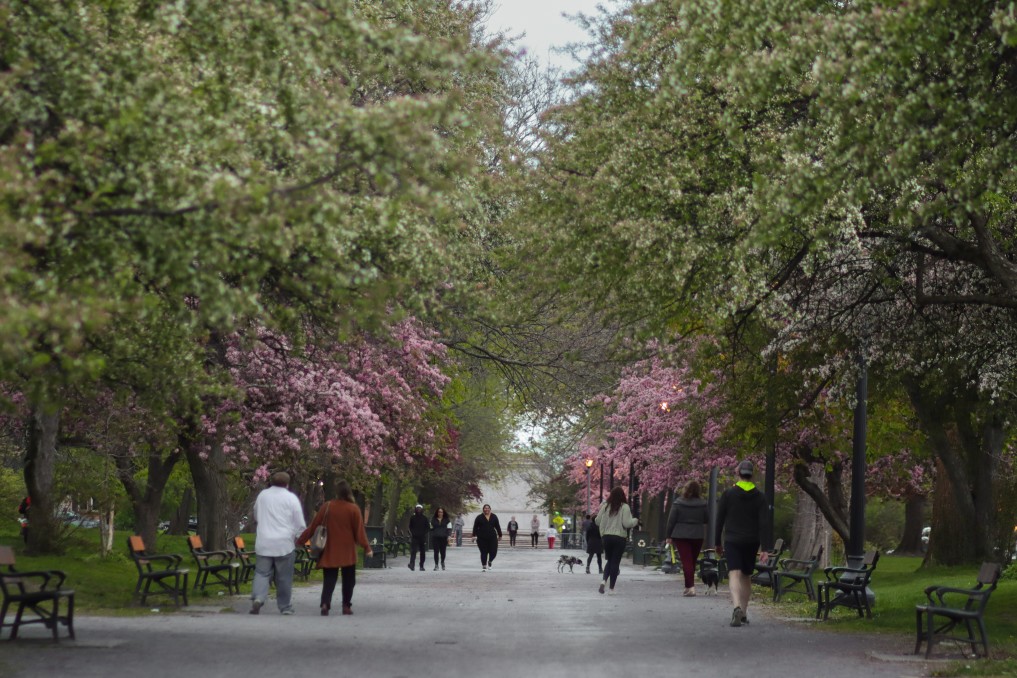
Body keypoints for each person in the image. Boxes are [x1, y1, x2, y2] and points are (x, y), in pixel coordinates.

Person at [295, 479, 372, 616]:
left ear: (337, 493)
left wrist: (301, 540)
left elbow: (313, 527)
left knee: (329, 578)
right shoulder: (353, 509)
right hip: (348, 550)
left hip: (330, 549)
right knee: (349, 580)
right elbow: (360, 532)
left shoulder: (327, 506)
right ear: (349, 492)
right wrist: (367, 548)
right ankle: (346, 606)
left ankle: (325, 603)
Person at [715, 460, 768, 627]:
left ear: (738, 473)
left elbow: (719, 520)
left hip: (732, 539)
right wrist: (765, 548)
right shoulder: (760, 496)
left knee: (734, 573)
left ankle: (736, 606)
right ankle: (744, 612)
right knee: (746, 575)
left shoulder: (728, 494)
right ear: (751, 475)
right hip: (752, 541)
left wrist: (717, 542)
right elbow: (764, 523)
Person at [250, 471, 306, 615]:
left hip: (264, 542)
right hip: (284, 543)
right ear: (287, 484)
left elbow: (256, 514)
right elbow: (299, 522)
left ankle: (258, 597)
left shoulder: (263, 495)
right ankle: (285, 606)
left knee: (261, 573)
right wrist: (298, 536)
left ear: (271, 482)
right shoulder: (291, 498)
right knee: (284, 577)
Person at [666, 480, 709, 596]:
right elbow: (706, 519)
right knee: (692, 562)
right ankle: (688, 586)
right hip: (697, 534)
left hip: (681, 534)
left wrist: (668, 536)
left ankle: (690, 587)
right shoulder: (703, 504)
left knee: (686, 562)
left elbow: (671, 521)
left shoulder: (678, 503)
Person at [595, 486, 638, 595]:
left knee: (609, 560)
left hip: (607, 537)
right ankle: (612, 588)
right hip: (619, 538)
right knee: (615, 562)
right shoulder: (625, 507)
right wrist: (635, 521)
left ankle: (603, 580)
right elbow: (627, 523)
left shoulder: (605, 506)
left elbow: (597, 521)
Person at [471, 504, 502, 571]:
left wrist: (500, 535)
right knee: (483, 552)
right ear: (483, 509)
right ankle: (484, 565)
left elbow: (497, 526)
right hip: (482, 538)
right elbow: (475, 527)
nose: (486, 509)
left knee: (493, 551)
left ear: (490, 509)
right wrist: (473, 535)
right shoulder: (479, 517)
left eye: (488, 508)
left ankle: (490, 561)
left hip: (492, 537)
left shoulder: (494, 517)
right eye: (485, 508)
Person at [407, 504, 429, 571]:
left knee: (422, 552)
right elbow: (410, 526)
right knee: (413, 551)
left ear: (422, 510)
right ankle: (412, 564)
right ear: (416, 509)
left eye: (420, 509)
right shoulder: (412, 518)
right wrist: (413, 532)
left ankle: (421, 565)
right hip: (415, 537)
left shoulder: (425, 518)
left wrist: (424, 533)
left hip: (422, 537)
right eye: (417, 509)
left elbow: (427, 527)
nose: (419, 510)